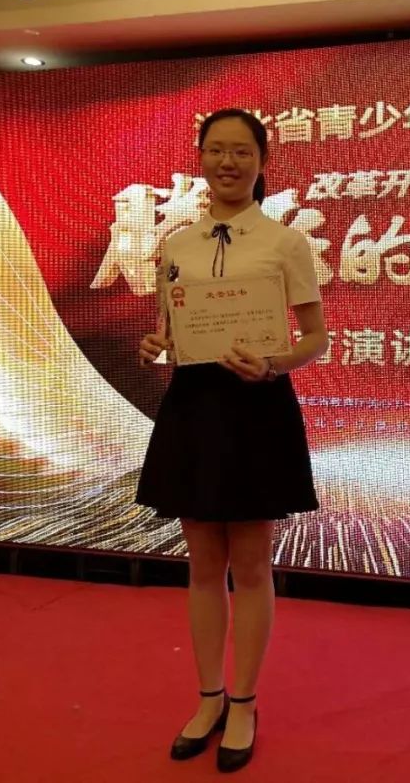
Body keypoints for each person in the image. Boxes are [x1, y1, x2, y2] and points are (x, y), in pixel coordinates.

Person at [136, 108, 328, 773]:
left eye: (241, 151)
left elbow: (315, 337)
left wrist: (275, 364)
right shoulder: (176, 246)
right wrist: (157, 343)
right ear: (200, 158)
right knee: (200, 566)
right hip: (194, 408)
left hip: (256, 407)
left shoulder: (285, 242)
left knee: (249, 567)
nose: (227, 161)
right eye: (216, 149)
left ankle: (244, 701)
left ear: (261, 161)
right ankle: (208, 696)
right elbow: (171, 328)